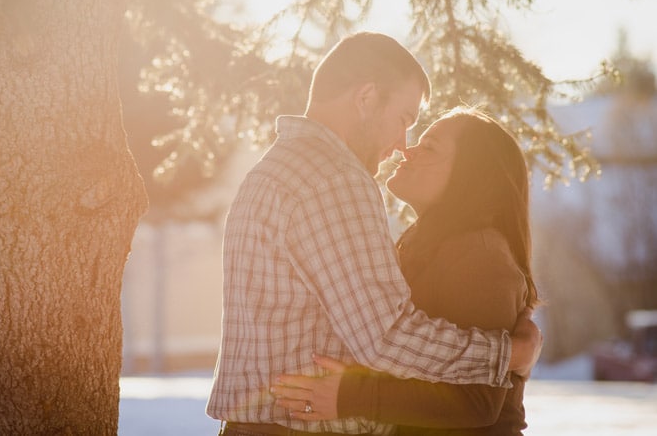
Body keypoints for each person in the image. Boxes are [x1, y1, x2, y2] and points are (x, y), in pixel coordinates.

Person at [206, 32, 541, 436]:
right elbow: (385, 335)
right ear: (366, 97)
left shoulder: (280, 167)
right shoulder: (333, 178)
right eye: (404, 119)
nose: (403, 145)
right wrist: (507, 355)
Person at [271, 107, 539, 435]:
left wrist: (351, 396)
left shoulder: (481, 255)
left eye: (430, 147)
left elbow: (478, 401)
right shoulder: (427, 243)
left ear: (471, 173)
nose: (407, 150)